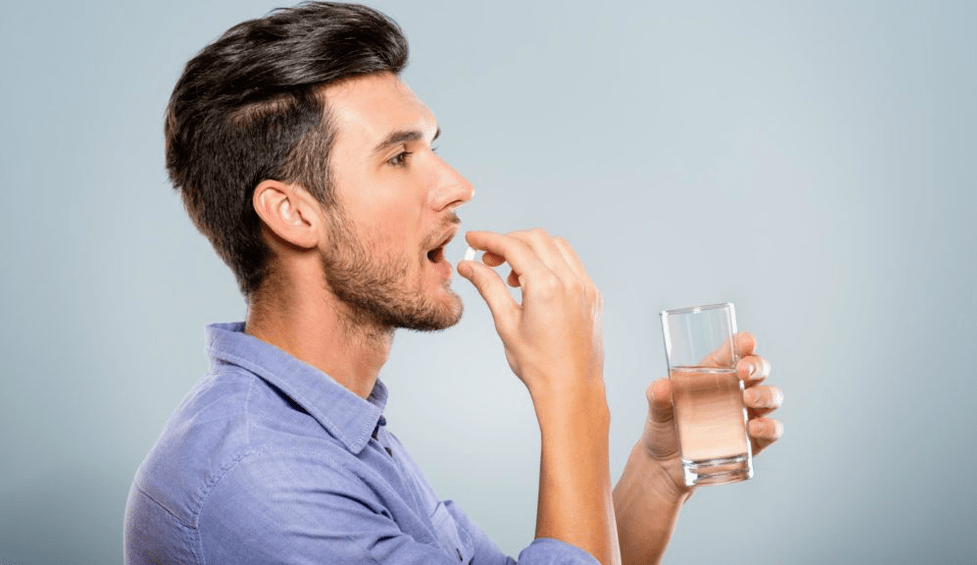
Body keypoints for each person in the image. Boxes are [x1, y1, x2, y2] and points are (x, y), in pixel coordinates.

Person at [124, 3, 784, 564]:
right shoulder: (262, 481)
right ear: (293, 213)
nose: (457, 185)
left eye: (433, 146)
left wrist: (659, 471)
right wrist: (572, 391)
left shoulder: (332, 427)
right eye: (400, 156)